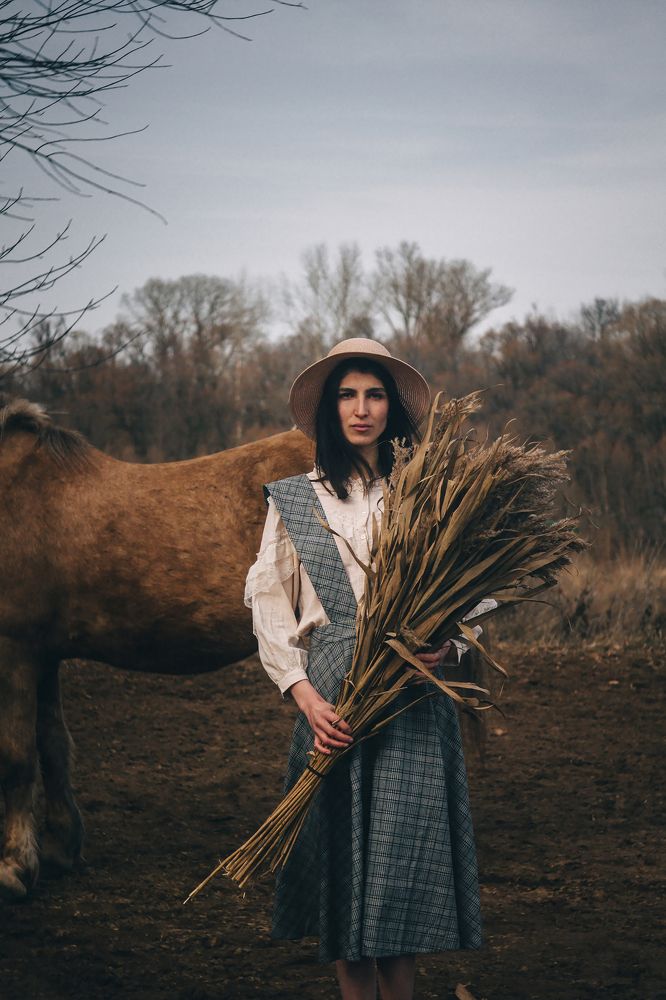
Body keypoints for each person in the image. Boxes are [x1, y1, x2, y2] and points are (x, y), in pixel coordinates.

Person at [244, 338, 491, 1000]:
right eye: (348, 395)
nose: (362, 409)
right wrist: (304, 697)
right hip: (334, 700)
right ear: (330, 408)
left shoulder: (428, 494)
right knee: (343, 878)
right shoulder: (297, 500)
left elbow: (474, 601)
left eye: (375, 394)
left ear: (392, 407)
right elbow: (267, 603)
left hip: (413, 697)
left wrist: (451, 649)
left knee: (400, 876)